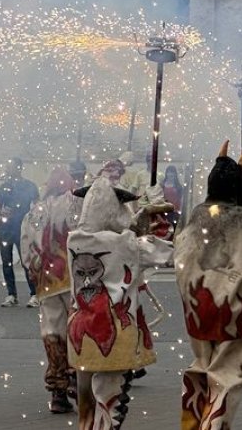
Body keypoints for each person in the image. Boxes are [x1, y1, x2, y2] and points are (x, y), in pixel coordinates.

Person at [175, 142, 242, 430]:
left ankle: (194, 422)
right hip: (234, 308)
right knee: (229, 374)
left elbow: (182, 253)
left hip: (198, 306)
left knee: (203, 366)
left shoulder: (197, 215)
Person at [66, 174, 173, 429]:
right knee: (110, 401)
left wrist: (139, 220)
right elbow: (166, 250)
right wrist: (157, 212)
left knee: (86, 402)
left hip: (79, 332)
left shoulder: (74, 239)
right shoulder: (127, 244)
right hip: (113, 333)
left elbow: (117, 236)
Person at [20, 162, 84, 414]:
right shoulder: (76, 205)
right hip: (74, 279)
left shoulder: (33, 212)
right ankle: (75, 379)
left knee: (52, 332)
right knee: (75, 328)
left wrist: (34, 274)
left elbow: (26, 249)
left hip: (46, 281)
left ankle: (57, 391)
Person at [0, 157, 39, 307]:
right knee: (6, 262)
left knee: (26, 262)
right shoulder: (4, 186)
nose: (7, 169)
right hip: (5, 229)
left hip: (22, 229)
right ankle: (11, 295)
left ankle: (34, 294)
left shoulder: (30, 186)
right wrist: (2, 212)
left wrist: (33, 217)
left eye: (10, 166)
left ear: (19, 168)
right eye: (7, 166)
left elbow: (38, 206)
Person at [161, 165, 184, 230]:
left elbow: (181, 200)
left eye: (172, 172)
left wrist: (180, 212)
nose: (170, 174)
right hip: (163, 211)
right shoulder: (162, 185)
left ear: (175, 174)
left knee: (173, 230)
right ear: (166, 174)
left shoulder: (178, 186)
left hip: (175, 212)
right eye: (169, 172)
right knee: (164, 229)